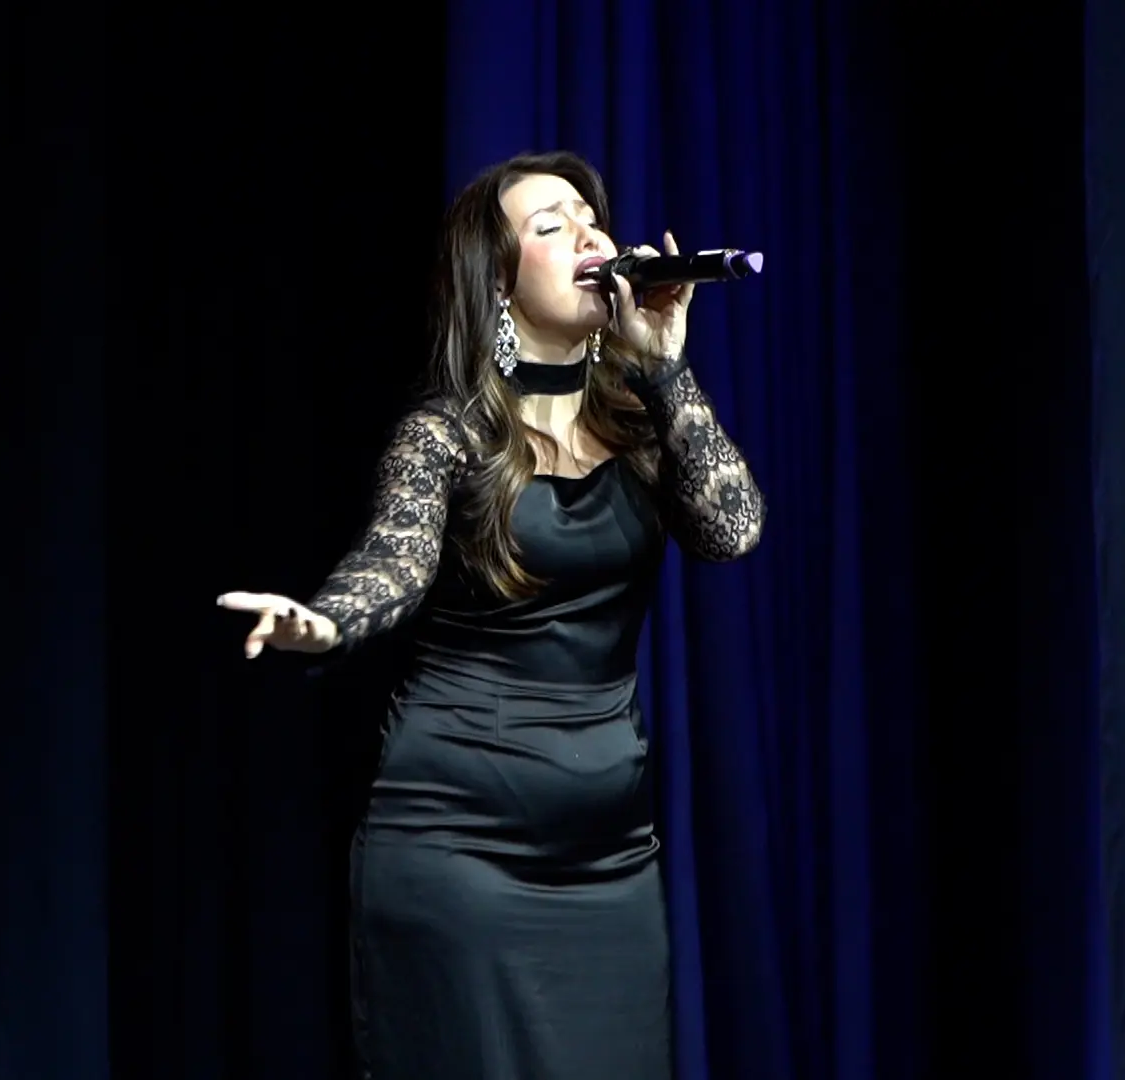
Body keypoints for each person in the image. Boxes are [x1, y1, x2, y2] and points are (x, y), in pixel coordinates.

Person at [216, 150, 765, 1080]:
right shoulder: (448, 433)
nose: (589, 234)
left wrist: (666, 369)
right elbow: (393, 562)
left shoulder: (638, 420)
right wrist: (325, 622)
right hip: (456, 849)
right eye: (552, 226)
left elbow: (733, 529)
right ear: (499, 285)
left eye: (591, 218)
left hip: (609, 864)